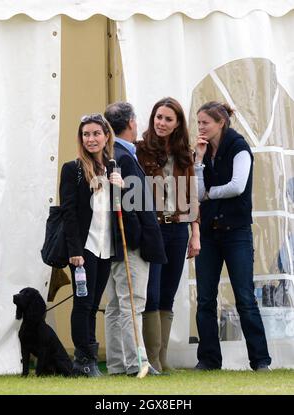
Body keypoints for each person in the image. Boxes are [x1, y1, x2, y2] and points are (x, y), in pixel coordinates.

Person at [193, 101, 272, 371]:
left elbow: (237, 186)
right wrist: (200, 161)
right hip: (209, 233)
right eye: (199, 121)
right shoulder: (203, 151)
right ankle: (209, 360)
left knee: (244, 297)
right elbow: (196, 190)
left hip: (236, 232)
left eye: (205, 122)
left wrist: (209, 194)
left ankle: (260, 360)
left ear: (220, 123)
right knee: (205, 298)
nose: (200, 126)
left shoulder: (239, 147)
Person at [136, 97, 201, 372]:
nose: (161, 123)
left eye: (168, 119)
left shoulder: (184, 154)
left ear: (177, 124)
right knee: (151, 292)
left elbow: (191, 196)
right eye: (158, 117)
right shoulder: (140, 151)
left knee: (168, 292)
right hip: (153, 228)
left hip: (177, 229)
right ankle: (151, 360)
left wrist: (195, 233)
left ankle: (161, 358)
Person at [104, 102, 167, 376]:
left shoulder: (113, 153)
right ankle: (135, 363)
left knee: (117, 305)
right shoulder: (123, 156)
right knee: (132, 303)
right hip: (130, 242)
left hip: (117, 242)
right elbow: (133, 203)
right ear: (131, 122)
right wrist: (137, 237)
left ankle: (118, 363)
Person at [59, 113, 124, 377]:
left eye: (96, 133)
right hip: (84, 249)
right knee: (83, 303)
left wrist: (122, 188)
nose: (91, 139)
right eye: (86, 134)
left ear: (106, 136)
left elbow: (118, 210)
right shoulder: (72, 169)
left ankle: (89, 359)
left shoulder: (112, 167)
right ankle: (83, 359)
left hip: (105, 246)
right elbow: (69, 212)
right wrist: (74, 251)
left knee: (95, 302)